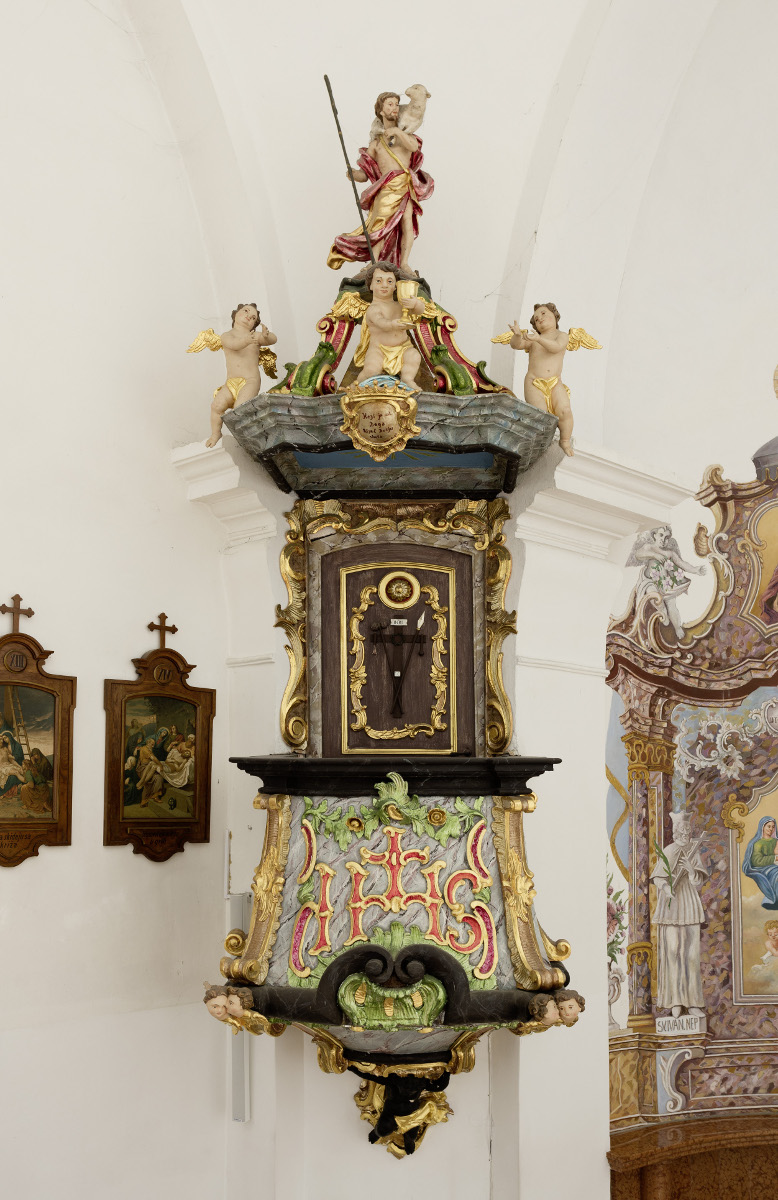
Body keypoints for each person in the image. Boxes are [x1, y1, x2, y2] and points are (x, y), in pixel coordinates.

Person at [327, 91, 434, 274]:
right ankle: (375, 263)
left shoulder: (406, 135)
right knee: (379, 225)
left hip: (404, 184)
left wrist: (397, 132)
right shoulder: (376, 144)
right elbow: (364, 174)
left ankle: (404, 263)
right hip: (385, 188)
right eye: (390, 105)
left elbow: (414, 147)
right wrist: (353, 174)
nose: (394, 108)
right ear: (381, 111)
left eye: (396, 104)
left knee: (406, 222)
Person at [494, 303, 600, 456]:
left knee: (565, 411)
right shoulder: (534, 338)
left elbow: (556, 347)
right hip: (533, 382)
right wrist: (517, 335)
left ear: (554, 315)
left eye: (543, 314)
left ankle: (564, 440)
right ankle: (540, 445)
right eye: (536, 319)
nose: (540, 319)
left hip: (555, 382)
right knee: (541, 415)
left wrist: (538, 339)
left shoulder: (561, 335)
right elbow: (517, 345)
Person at [187, 303, 278, 448]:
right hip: (230, 383)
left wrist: (267, 336)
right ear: (235, 314)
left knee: (239, 409)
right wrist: (247, 340)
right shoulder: (226, 336)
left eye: (253, 317)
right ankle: (216, 433)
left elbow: (273, 339)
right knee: (216, 406)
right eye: (246, 311)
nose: (249, 316)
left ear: (254, 324)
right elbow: (235, 344)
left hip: (250, 380)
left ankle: (248, 439)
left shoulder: (255, 336)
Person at [651, 811, 708, 1018]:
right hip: (671, 904)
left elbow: (697, 881)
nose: (685, 833)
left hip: (689, 903)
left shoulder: (694, 850)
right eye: (681, 830)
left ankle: (693, 1003)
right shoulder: (668, 850)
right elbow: (658, 878)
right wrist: (666, 887)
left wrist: (692, 870)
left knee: (691, 955)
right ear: (675, 832)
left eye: (687, 830)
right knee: (673, 952)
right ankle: (675, 1001)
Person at [354, 261, 425, 390]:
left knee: (414, 356)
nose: (385, 285)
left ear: (396, 286)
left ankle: (407, 380)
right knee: (371, 369)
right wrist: (394, 324)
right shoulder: (373, 308)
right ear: (370, 285)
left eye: (390, 281)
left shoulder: (400, 305)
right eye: (379, 281)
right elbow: (382, 323)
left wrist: (415, 304)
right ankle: (355, 386)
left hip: (403, 348)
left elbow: (420, 311)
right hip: (379, 349)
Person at [628, 525, 705, 639]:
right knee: (656, 598)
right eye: (661, 535)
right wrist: (654, 555)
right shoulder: (649, 547)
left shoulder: (670, 553)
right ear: (654, 535)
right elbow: (638, 554)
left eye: (667, 537)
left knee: (672, 605)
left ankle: (677, 628)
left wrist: (695, 570)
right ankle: (664, 616)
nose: (663, 539)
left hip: (665, 583)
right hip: (650, 582)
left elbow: (682, 564)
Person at [744, 816, 778, 909]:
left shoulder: (776, 841)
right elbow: (757, 861)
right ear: (762, 827)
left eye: (773, 827)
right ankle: (774, 899)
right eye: (769, 826)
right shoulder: (757, 843)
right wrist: (775, 858)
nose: (771, 829)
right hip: (763, 869)